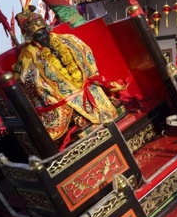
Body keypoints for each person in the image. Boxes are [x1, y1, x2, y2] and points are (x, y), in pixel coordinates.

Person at [13, 9, 117, 144]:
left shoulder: (66, 40)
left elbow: (85, 53)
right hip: (60, 97)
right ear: (31, 39)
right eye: (38, 36)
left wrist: (86, 77)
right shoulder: (28, 57)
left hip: (84, 84)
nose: (44, 38)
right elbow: (31, 83)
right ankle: (78, 120)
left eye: (45, 33)